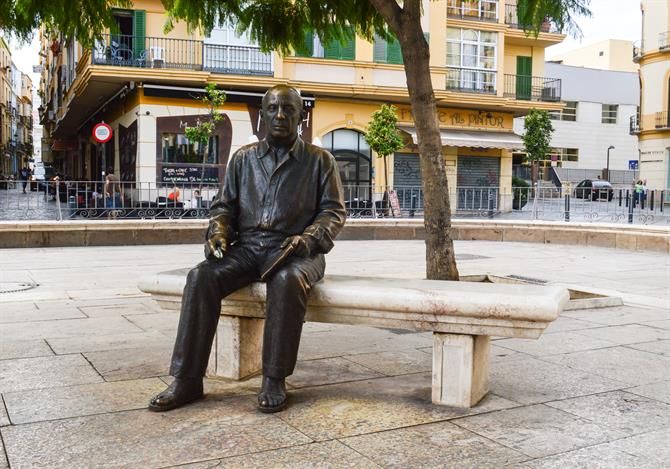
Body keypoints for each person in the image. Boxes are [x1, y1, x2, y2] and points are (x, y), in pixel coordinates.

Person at [148, 85, 346, 413]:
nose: (280, 115)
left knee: (286, 281)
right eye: (273, 109)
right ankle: (187, 379)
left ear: (300, 116)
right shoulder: (243, 158)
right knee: (201, 277)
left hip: (298, 251)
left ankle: (274, 377)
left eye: (288, 109)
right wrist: (218, 233)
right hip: (249, 248)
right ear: (262, 115)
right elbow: (223, 207)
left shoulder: (319, 161)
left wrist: (309, 237)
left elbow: (333, 212)